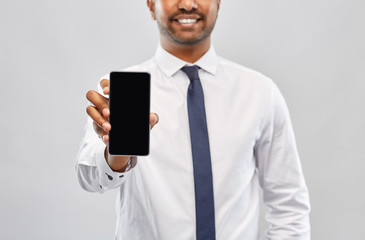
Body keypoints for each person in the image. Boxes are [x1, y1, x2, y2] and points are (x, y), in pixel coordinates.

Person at [76, 0, 311, 239]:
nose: (188, 4)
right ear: (150, 4)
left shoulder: (260, 92)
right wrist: (117, 153)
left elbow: (289, 204)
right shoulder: (118, 93)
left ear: (218, 2)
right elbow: (90, 179)